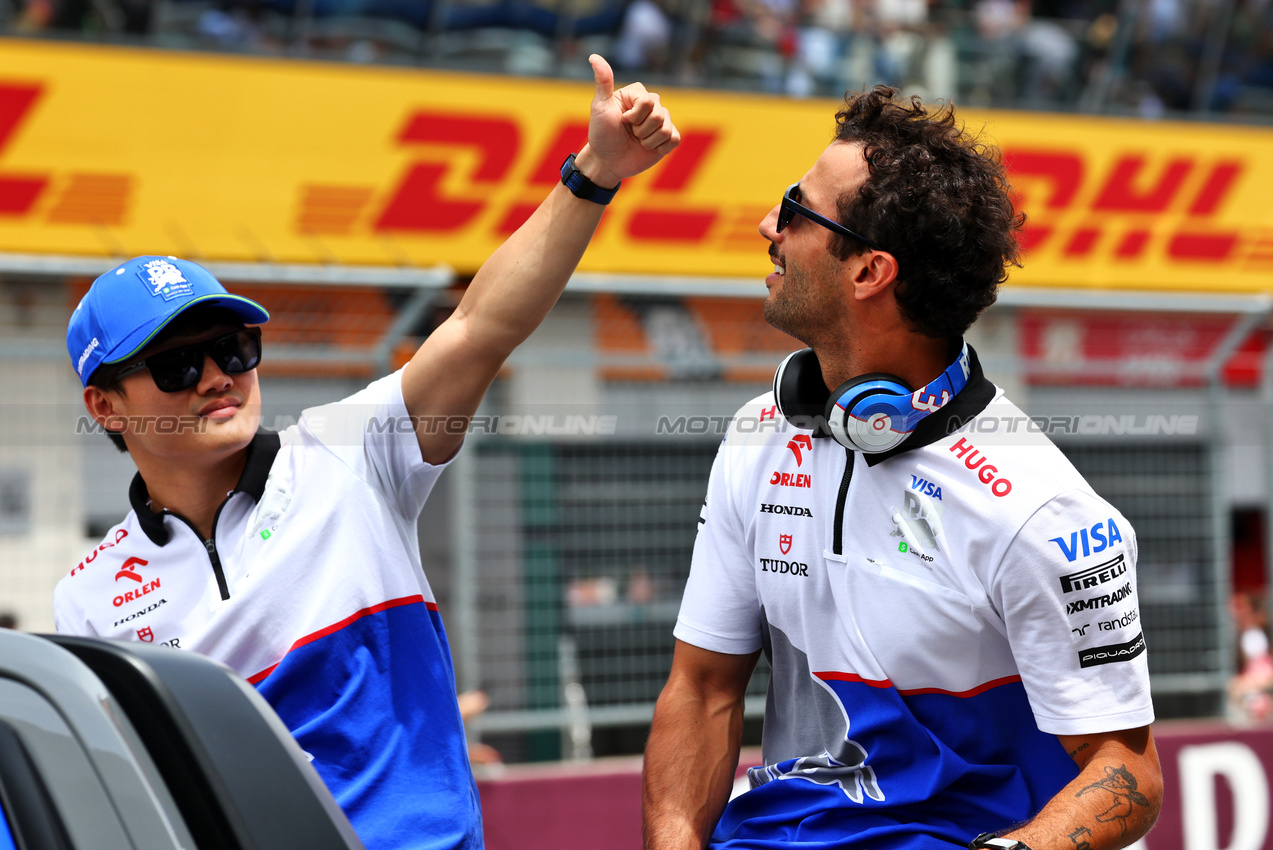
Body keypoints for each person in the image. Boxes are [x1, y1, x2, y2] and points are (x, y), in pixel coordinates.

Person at [54, 54, 679, 850]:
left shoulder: (346, 452)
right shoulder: (88, 594)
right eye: (177, 366)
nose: (218, 379)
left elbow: (479, 325)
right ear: (104, 407)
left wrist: (595, 171)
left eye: (234, 349)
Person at [641, 87, 1162, 850]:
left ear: (868, 272)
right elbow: (701, 688)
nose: (767, 228)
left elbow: (1128, 772)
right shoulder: (758, 435)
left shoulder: (1039, 510)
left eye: (795, 210)